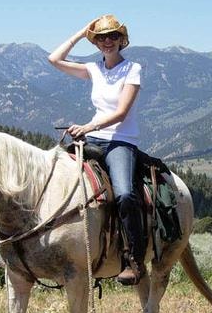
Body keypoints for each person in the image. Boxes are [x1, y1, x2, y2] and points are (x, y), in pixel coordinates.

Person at [48, 14, 145, 285]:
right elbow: (53, 60)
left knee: (125, 194)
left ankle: (133, 259)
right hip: (93, 138)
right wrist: (81, 33)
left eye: (113, 36)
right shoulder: (94, 69)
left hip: (120, 141)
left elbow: (121, 113)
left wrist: (88, 127)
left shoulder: (132, 69)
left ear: (121, 40)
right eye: (101, 37)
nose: (107, 42)